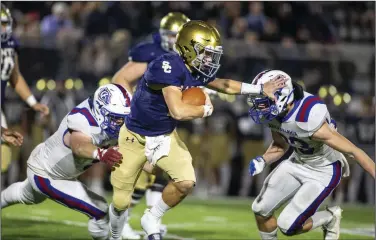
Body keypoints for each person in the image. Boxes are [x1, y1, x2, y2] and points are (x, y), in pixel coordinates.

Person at [109, 20, 286, 240]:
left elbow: (223, 84)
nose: (210, 59)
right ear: (188, 48)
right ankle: (114, 234)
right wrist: (204, 110)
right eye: (207, 53)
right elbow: (178, 111)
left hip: (164, 136)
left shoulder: (193, 67)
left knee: (185, 182)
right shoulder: (166, 66)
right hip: (134, 136)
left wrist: (259, 89)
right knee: (120, 202)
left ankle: (152, 217)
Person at [247, 70, 375, 240]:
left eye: (263, 100)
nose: (259, 106)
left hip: (323, 171)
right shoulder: (275, 114)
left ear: (282, 97)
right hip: (298, 161)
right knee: (260, 210)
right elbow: (280, 145)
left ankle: (329, 217)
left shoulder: (308, 119)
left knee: (287, 226)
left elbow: (354, 151)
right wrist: (263, 159)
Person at [1, 84, 131, 240]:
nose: (120, 123)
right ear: (101, 111)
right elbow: (79, 146)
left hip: (51, 167)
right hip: (46, 174)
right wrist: (101, 153)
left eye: (123, 118)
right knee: (100, 211)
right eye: (116, 118)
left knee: (24, 194)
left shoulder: (110, 122)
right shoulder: (82, 118)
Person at [111, 12, 190, 239]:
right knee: (139, 176)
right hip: (143, 124)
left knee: (162, 173)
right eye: (171, 35)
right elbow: (120, 78)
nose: (174, 40)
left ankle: (153, 221)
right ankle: (121, 223)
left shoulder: (181, 59)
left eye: (178, 35)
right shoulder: (152, 53)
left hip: (163, 122)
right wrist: (134, 105)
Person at [1, 4, 50, 174]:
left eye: (6, 23)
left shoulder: (9, 44)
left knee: (4, 159)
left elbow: (14, 76)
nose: (4, 28)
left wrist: (32, 102)